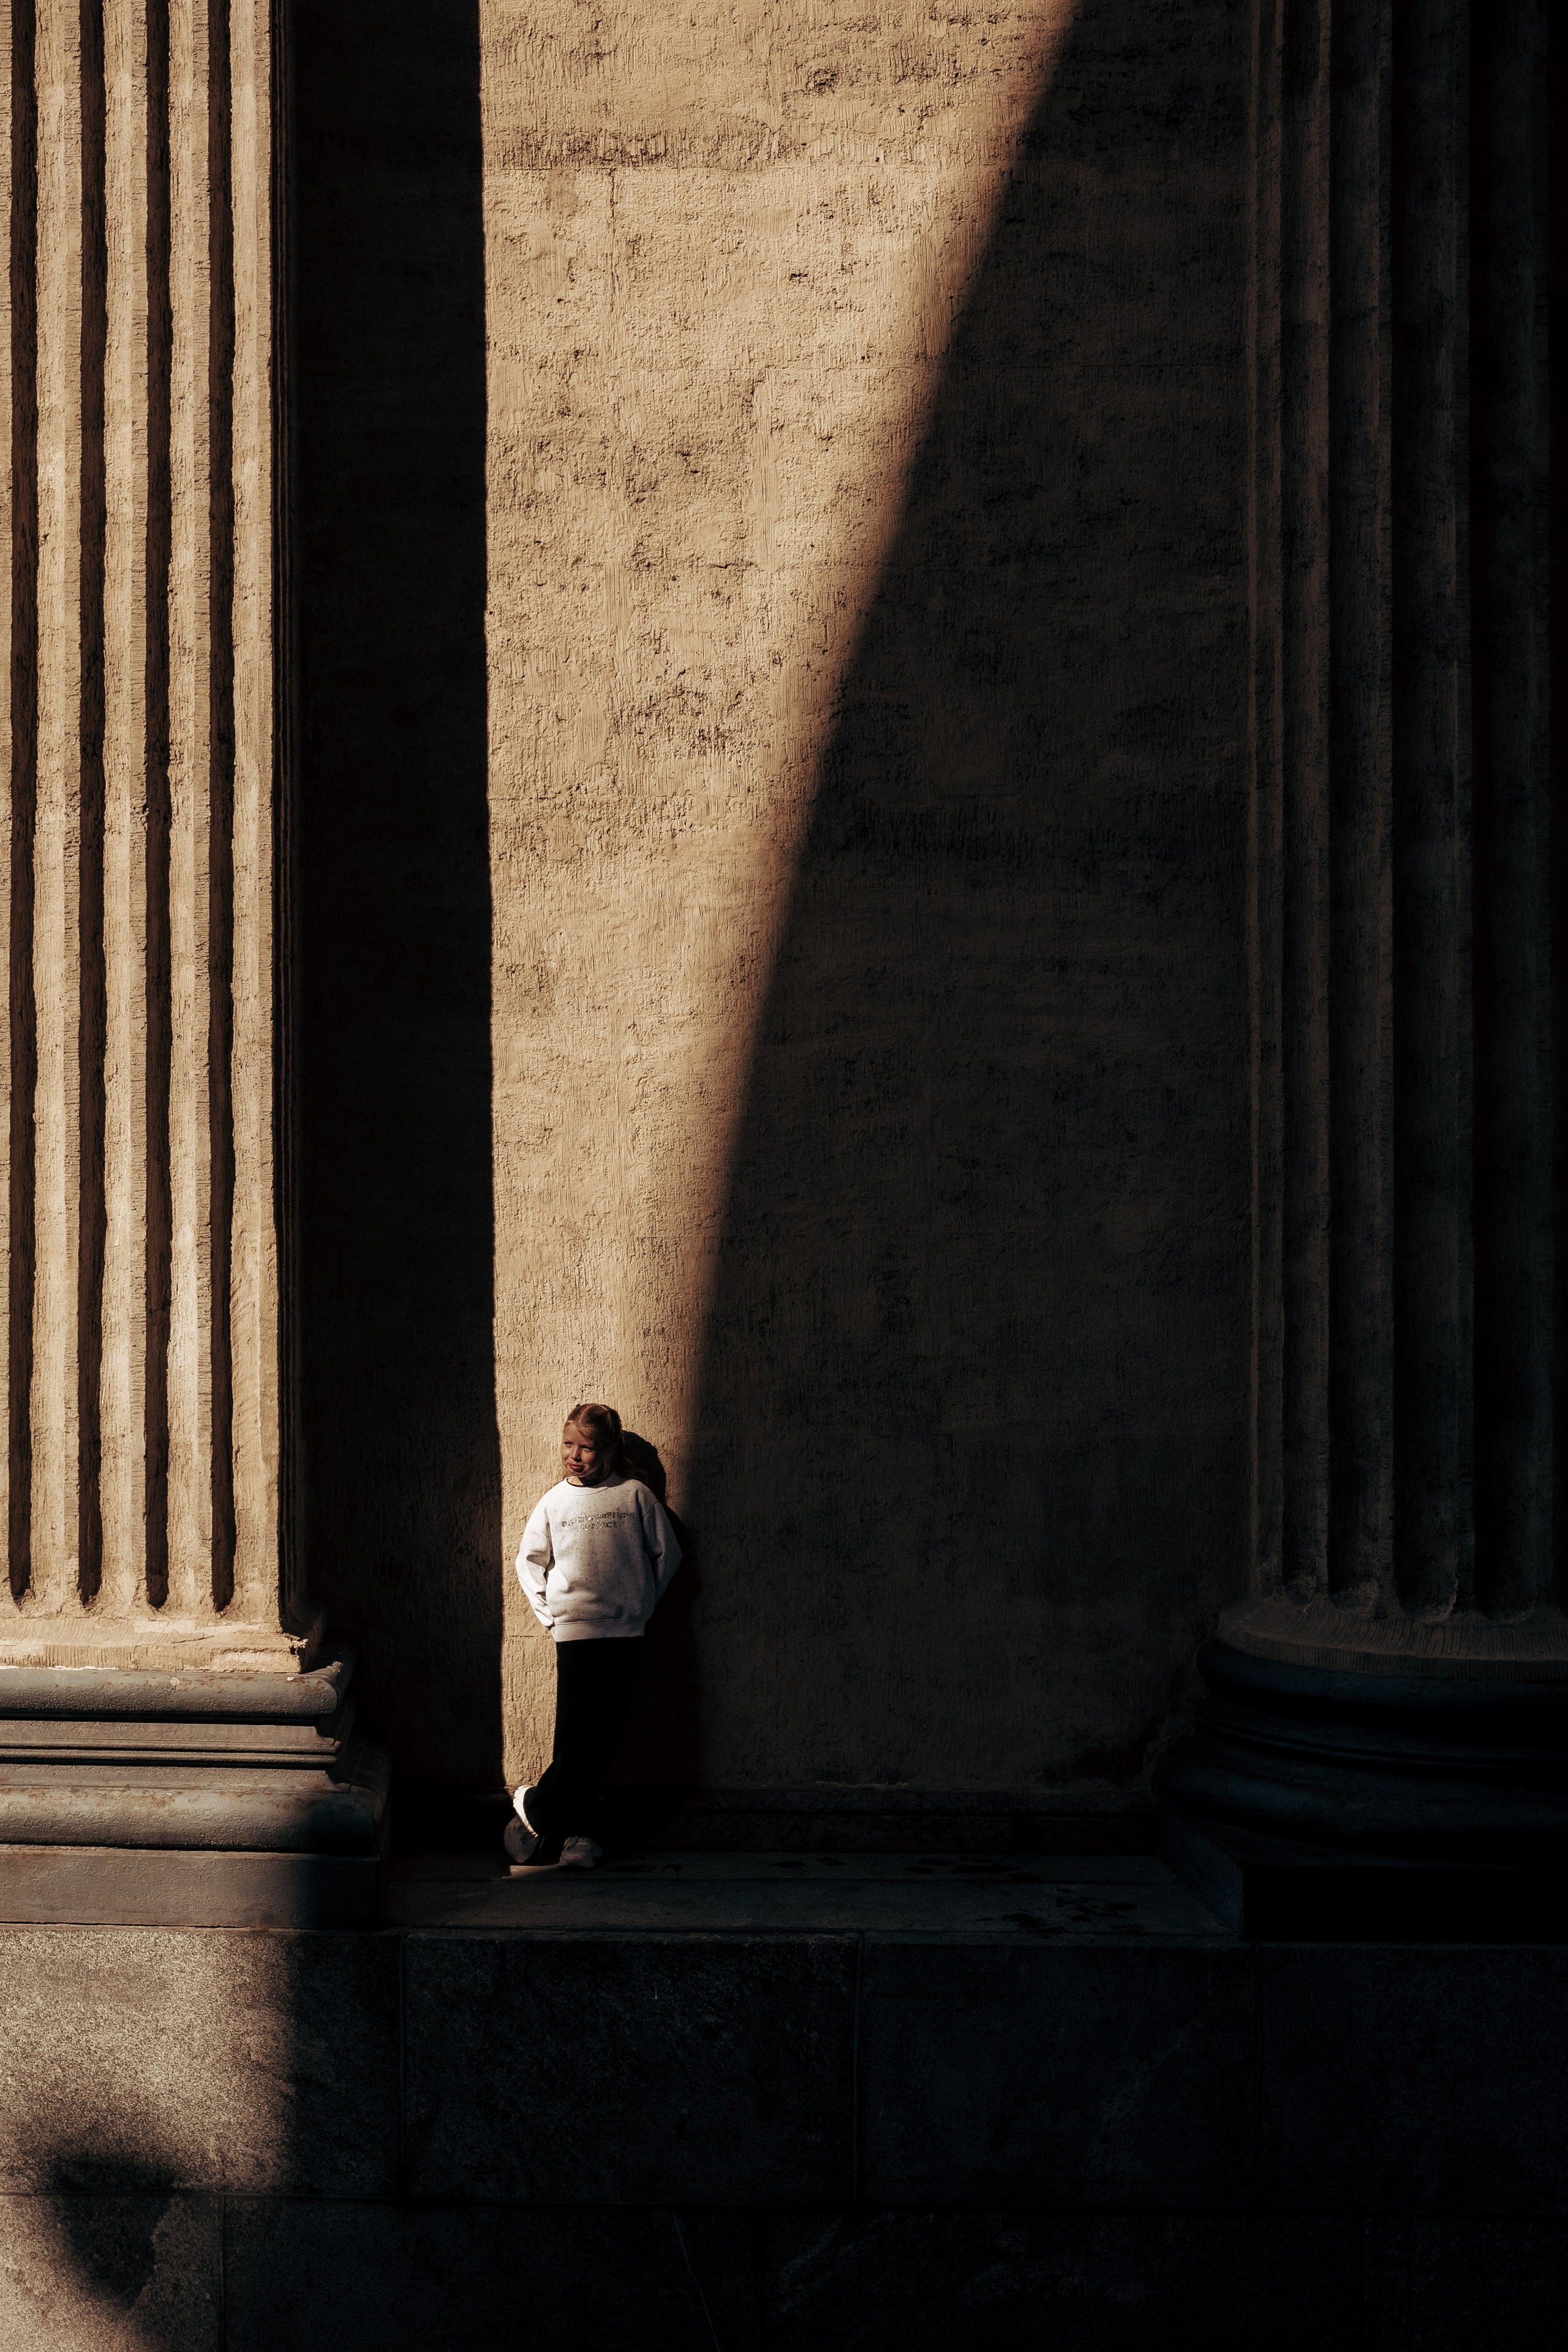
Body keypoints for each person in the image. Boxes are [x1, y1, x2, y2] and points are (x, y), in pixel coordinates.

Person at [506, 1402, 682, 1871]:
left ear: (609, 1450)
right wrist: (550, 1616)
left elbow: (669, 1556)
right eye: (569, 1444)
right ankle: (578, 1835)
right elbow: (529, 1562)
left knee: (605, 1733)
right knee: (577, 1734)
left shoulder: (635, 1496)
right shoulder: (554, 1502)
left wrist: (642, 1604)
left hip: (625, 1630)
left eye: (587, 1447)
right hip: (575, 1632)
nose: (575, 1455)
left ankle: (539, 1806)